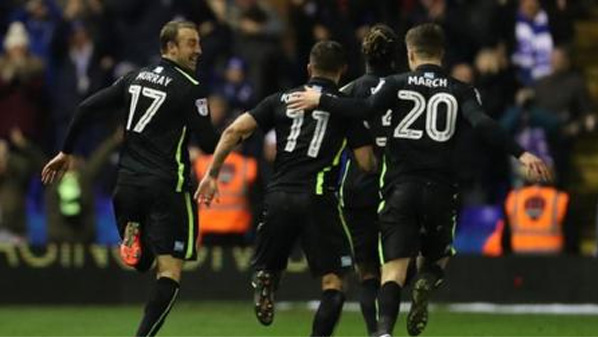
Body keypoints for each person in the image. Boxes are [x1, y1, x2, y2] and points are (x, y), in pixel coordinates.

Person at [287, 23, 552, 337]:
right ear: (442, 53)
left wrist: (322, 101)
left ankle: (383, 332)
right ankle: (429, 277)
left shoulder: (396, 84)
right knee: (438, 257)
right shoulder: (461, 89)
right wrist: (521, 154)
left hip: (399, 187)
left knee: (393, 271)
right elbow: (483, 124)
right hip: (442, 188)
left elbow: (363, 108)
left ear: (410, 53)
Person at [41, 20, 219, 336]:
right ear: (170, 48)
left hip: (126, 185)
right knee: (170, 271)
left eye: (198, 43)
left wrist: (66, 152)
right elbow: (207, 144)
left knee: (141, 263)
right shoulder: (190, 87)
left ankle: (133, 236)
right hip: (167, 186)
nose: (199, 50)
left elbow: (84, 108)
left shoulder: (134, 77)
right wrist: (231, 134)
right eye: (191, 43)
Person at [196, 40, 377, 336]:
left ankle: (267, 277)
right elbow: (367, 163)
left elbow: (233, 131)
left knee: (269, 265)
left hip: (278, 195)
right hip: (319, 199)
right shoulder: (345, 110)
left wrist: (212, 174)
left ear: (309, 68)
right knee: (334, 283)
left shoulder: (280, 99)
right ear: (343, 71)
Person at [337, 23, 397, 336]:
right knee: (397, 267)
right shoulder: (406, 88)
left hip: (358, 187)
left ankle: (376, 332)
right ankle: (385, 326)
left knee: (367, 272)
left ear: (365, 56)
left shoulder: (349, 92)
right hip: (397, 186)